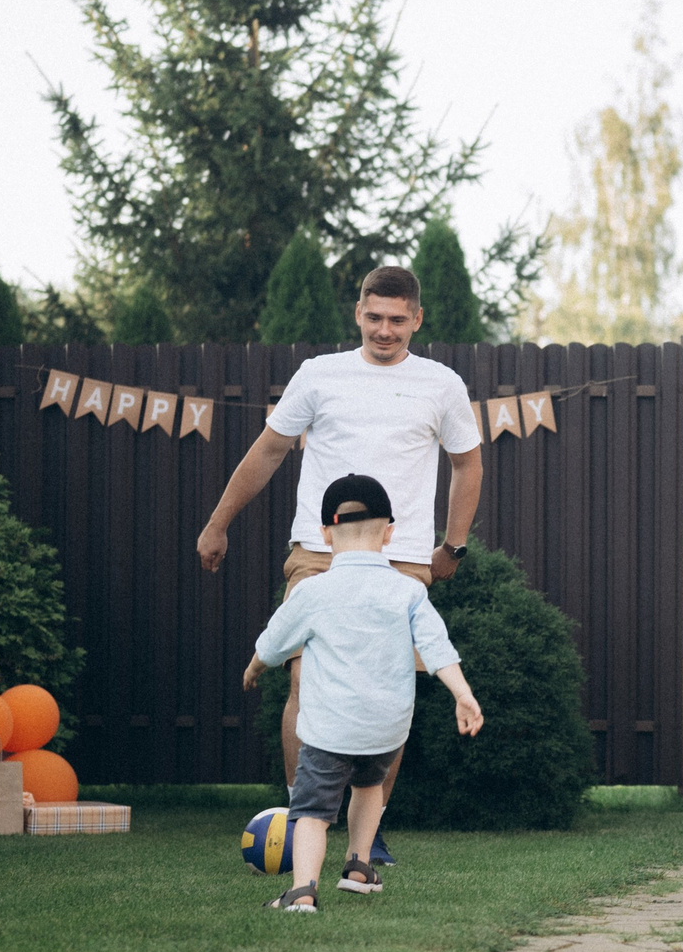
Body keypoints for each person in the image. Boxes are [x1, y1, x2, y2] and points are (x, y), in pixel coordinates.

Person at [199, 261, 482, 856]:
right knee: (305, 679)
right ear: (358, 312)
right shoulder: (319, 375)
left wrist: (452, 544)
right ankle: (304, 817)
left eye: (397, 321)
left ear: (417, 320)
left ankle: (367, 833)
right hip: (318, 554)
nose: (385, 330)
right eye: (374, 317)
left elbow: (466, 463)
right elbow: (270, 451)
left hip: (400, 559)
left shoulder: (441, 384)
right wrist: (218, 523)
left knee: (389, 689)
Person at [243, 475, 483, 912]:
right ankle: (357, 866)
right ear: (389, 532)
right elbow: (436, 646)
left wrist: (255, 666)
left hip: (329, 728)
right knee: (370, 787)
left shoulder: (313, 591)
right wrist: (462, 694)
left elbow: (274, 642)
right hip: (386, 729)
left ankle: (302, 891)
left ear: (325, 534)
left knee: (312, 809)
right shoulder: (407, 590)